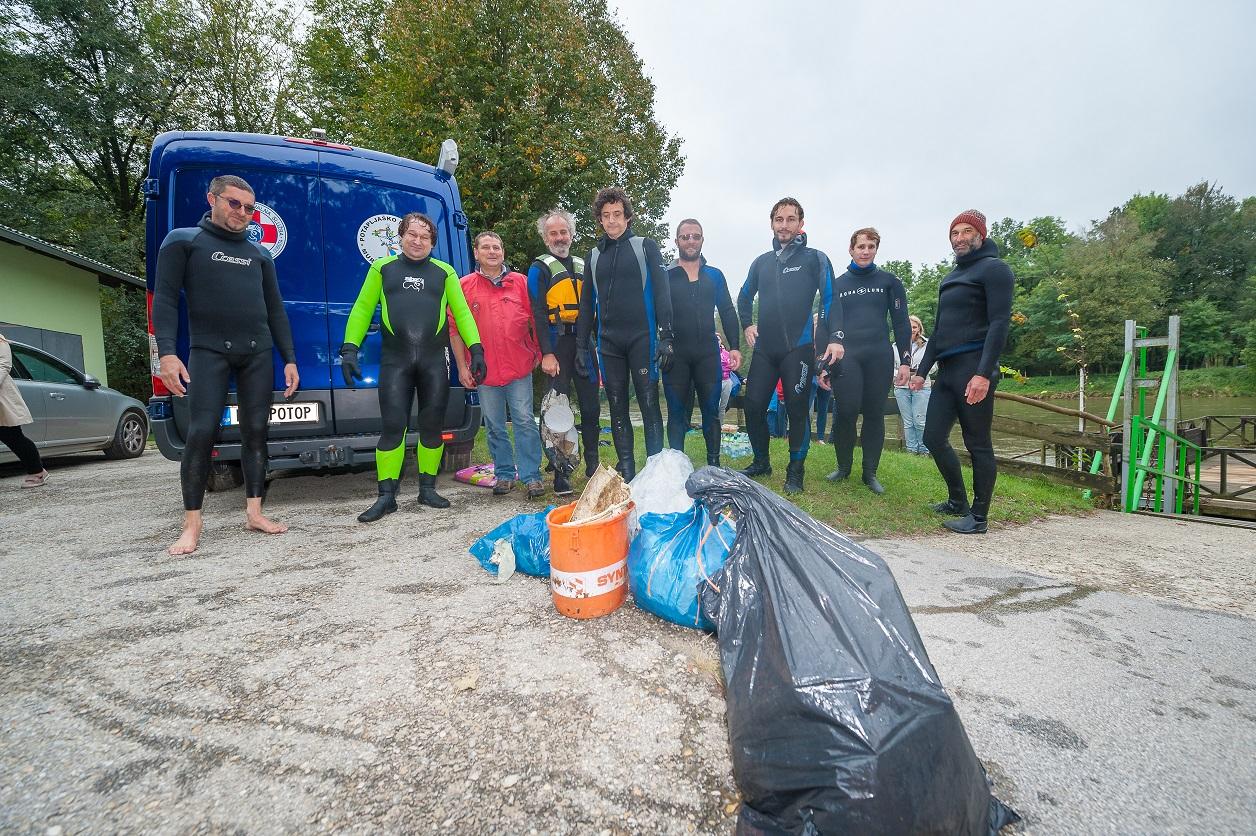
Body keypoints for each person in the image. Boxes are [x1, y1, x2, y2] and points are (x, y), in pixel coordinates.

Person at [152, 174, 299, 555]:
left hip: (257, 352)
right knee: (201, 432)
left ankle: (255, 512)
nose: (241, 212)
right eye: (234, 203)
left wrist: (290, 359)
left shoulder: (259, 254)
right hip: (209, 351)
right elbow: (165, 300)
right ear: (212, 199)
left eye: (249, 207)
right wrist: (166, 353)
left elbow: (275, 311)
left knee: (255, 432)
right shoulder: (184, 241)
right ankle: (191, 524)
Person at [341, 211, 486, 522]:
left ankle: (427, 489)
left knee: (432, 427)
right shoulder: (382, 268)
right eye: (412, 235)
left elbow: (461, 313)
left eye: (424, 237)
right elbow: (363, 307)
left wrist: (476, 350)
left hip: (434, 361)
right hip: (396, 362)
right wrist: (350, 348)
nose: (418, 241)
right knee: (393, 427)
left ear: (432, 242)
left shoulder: (444, 272)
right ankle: (386, 497)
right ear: (401, 237)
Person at [910, 210, 1014, 534]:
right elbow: (938, 332)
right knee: (932, 436)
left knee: (977, 443)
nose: (959, 238)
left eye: (967, 231)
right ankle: (957, 500)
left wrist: (984, 374)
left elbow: (999, 323)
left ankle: (979, 517)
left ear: (980, 235)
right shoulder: (949, 278)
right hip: (947, 371)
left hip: (974, 367)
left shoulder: (995, 270)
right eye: (954, 233)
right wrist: (920, 371)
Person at [737, 198, 842, 494]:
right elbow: (744, 297)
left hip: (799, 348)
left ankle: (795, 471)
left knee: (797, 410)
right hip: (765, 349)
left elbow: (831, 300)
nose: (784, 225)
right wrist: (748, 324)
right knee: (754, 405)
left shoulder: (815, 258)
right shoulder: (761, 262)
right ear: (771, 223)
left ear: (800, 224)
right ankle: (761, 462)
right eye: (779, 219)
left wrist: (833, 338)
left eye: (790, 219)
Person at [575, 187, 674, 481]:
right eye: (606, 216)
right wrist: (582, 345)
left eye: (617, 214)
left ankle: (655, 469)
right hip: (609, 342)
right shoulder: (593, 256)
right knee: (616, 403)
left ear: (628, 217)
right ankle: (628, 469)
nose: (612, 220)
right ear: (600, 220)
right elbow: (585, 305)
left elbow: (662, 292)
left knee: (647, 401)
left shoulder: (646, 247)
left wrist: (667, 336)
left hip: (642, 337)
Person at [450, 232, 544, 499]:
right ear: (476, 253)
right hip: (485, 371)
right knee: (494, 424)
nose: (492, 251)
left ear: (503, 252)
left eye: (497, 247)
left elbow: (536, 320)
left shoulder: (521, 283)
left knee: (524, 421)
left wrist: (538, 351)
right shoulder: (463, 286)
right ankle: (504, 474)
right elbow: (454, 330)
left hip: (519, 367)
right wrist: (461, 366)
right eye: (486, 247)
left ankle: (531, 477)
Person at [825, 228, 912, 495]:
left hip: (878, 354)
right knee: (847, 410)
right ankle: (843, 466)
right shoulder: (837, 284)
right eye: (860, 246)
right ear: (851, 250)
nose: (865, 251)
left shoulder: (889, 282)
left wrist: (906, 362)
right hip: (847, 356)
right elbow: (826, 325)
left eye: (870, 247)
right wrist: (823, 362)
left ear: (876, 249)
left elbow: (901, 322)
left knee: (875, 412)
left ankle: (870, 472)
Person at [527, 209, 601, 495]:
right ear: (546, 239)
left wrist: (592, 345)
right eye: (553, 233)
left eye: (563, 232)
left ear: (571, 234)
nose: (559, 237)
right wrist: (546, 353)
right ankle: (561, 472)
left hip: (583, 344)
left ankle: (593, 466)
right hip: (556, 345)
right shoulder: (540, 267)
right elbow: (537, 312)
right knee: (558, 410)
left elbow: (594, 310)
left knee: (592, 407)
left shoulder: (586, 264)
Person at [662, 218, 741, 465]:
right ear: (677, 242)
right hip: (676, 355)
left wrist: (735, 346)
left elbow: (727, 311)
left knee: (711, 413)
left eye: (695, 236)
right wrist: (660, 340)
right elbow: (655, 311)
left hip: (708, 354)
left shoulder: (714, 276)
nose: (691, 241)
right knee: (676, 414)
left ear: (702, 240)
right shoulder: (665, 275)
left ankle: (714, 465)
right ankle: (676, 467)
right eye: (685, 237)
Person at [0, 333, 47, 488]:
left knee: (12, 436)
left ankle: (37, 471)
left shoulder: (1, 342)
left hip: (2, 397)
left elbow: (4, 365)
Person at [895, 315, 932, 455]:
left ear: (919, 328)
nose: (911, 329)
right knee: (908, 421)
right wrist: (900, 373)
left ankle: (924, 451)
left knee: (920, 420)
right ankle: (911, 450)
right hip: (901, 387)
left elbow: (933, 364)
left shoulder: (927, 344)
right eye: (909, 326)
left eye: (914, 327)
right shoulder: (896, 345)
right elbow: (891, 365)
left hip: (921, 386)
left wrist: (919, 373)